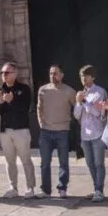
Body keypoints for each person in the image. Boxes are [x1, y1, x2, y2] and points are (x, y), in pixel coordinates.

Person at [0, 61, 39, 199]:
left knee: (25, 159)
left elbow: (25, 108)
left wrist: (11, 101)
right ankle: (13, 187)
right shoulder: (0, 91)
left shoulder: (23, 89)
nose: (4, 75)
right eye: (2, 73)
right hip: (5, 131)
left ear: (15, 74)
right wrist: (0, 104)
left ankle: (30, 188)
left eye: (7, 72)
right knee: (9, 160)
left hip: (21, 130)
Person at [36, 65, 76, 199]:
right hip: (46, 132)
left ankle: (62, 188)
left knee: (63, 162)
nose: (53, 76)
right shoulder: (43, 90)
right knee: (45, 163)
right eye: (51, 73)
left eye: (56, 73)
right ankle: (46, 190)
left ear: (62, 75)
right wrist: (41, 123)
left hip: (62, 132)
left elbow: (78, 107)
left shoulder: (69, 91)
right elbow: (39, 108)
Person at [74, 64, 106, 203]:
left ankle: (99, 190)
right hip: (84, 135)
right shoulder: (80, 94)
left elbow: (98, 112)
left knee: (99, 163)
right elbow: (76, 115)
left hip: (97, 133)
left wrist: (85, 101)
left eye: (86, 76)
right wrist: (79, 102)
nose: (84, 79)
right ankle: (96, 189)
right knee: (90, 163)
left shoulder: (100, 92)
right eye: (82, 77)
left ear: (92, 77)